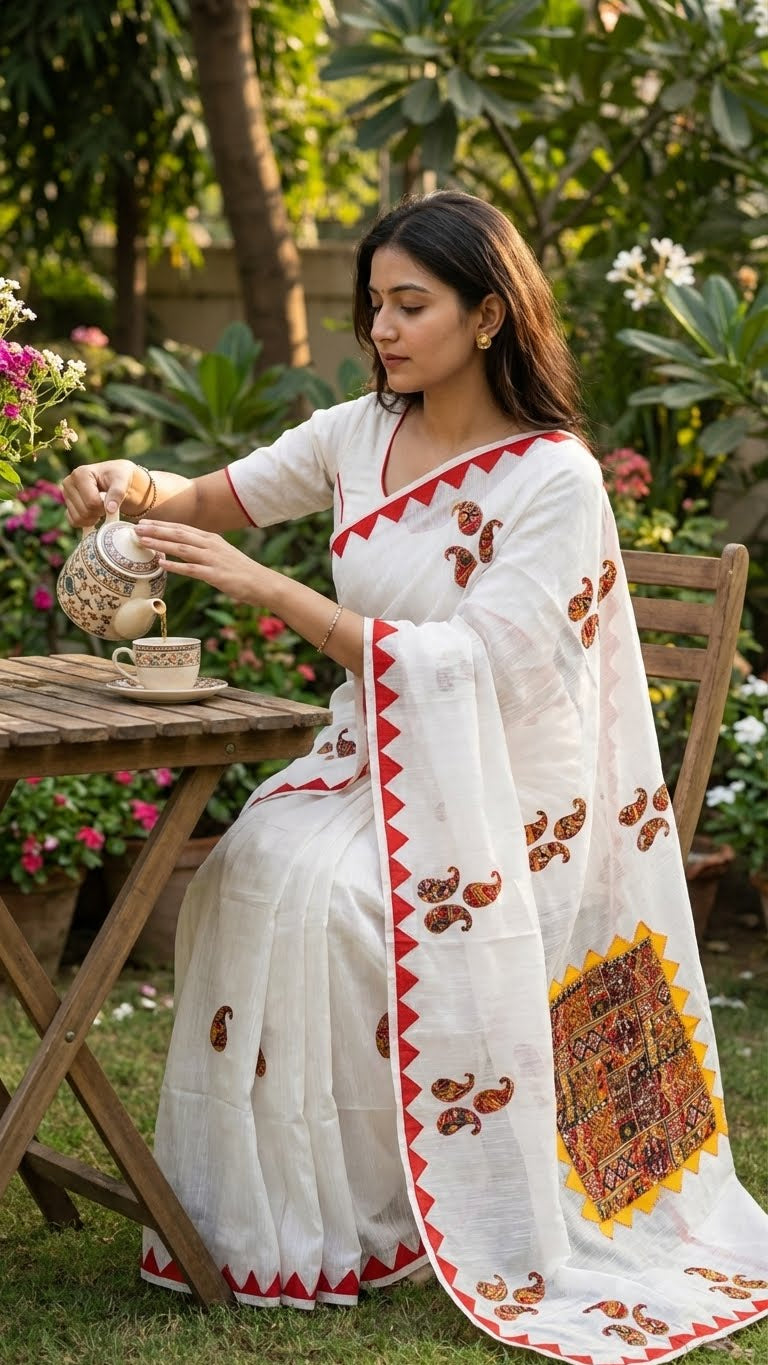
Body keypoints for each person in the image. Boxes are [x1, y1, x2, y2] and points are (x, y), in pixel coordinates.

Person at [61, 191, 767, 1361]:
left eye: (410, 304)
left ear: (489, 316)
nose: (381, 329)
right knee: (248, 868)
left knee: (332, 900)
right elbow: (202, 502)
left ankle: (376, 1216)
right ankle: (286, 1229)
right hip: (369, 760)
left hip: (513, 801)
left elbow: (483, 668)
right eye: (373, 306)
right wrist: (127, 484)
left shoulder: (553, 479)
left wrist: (270, 590)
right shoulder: (357, 433)